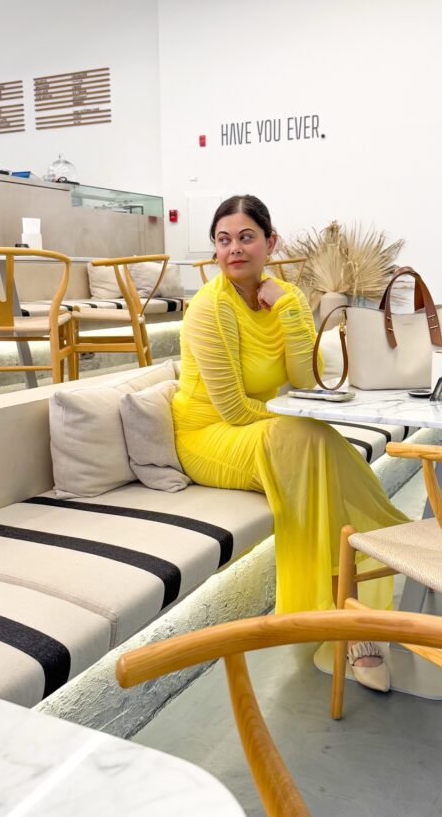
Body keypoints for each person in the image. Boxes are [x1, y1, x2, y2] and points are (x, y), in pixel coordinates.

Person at [172, 195, 408, 690]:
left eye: (246, 237)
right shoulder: (206, 309)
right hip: (207, 438)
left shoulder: (285, 298)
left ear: (269, 242)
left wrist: (288, 309)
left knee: (312, 442)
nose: (234, 249)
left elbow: (303, 380)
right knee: (307, 436)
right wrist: (293, 420)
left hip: (259, 429)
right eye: (223, 240)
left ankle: (350, 614)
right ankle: (395, 544)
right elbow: (234, 411)